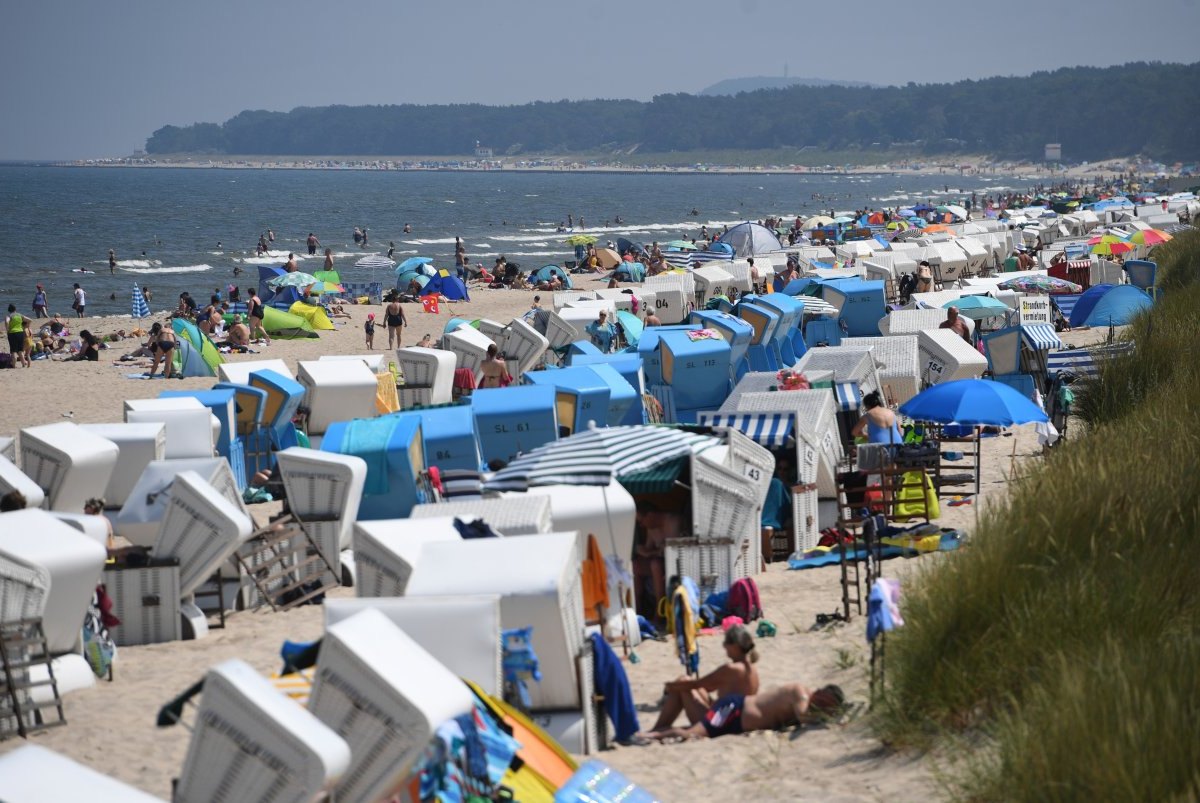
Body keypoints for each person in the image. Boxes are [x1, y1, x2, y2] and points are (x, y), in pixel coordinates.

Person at [648, 624, 760, 733]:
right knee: (684, 681)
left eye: (725, 642)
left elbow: (697, 684)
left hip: (720, 722)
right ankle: (658, 728)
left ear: (735, 646)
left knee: (683, 683)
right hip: (733, 718)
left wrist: (670, 687)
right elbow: (706, 687)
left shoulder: (731, 669)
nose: (724, 646)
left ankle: (657, 728)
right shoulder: (752, 669)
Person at [647, 683, 846, 741]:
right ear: (819, 691)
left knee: (696, 728)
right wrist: (828, 720)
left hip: (734, 715)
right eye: (823, 703)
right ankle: (651, 735)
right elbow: (804, 717)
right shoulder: (801, 694)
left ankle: (657, 730)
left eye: (827, 708)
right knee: (693, 733)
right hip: (733, 711)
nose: (821, 708)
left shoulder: (804, 699)